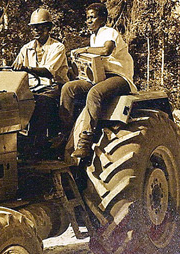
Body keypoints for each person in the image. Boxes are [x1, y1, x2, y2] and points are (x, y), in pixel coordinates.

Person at [60, 3, 137, 159]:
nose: (88, 21)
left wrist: (85, 49)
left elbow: (105, 50)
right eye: (87, 18)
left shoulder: (110, 32)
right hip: (100, 77)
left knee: (95, 93)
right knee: (68, 88)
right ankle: (65, 133)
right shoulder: (94, 36)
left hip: (119, 77)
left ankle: (86, 140)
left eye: (92, 17)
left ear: (102, 18)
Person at [12, 8, 70, 148]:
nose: (37, 30)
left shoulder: (57, 47)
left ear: (49, 28)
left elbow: (50, 72)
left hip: (53, 88)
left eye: (41, 27)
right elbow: (16, 68)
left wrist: (27, 68)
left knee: (41, 103)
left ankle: (39, 143)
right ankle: (17, 142)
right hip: (32, 89)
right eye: (34, 28)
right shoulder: (26, 48)